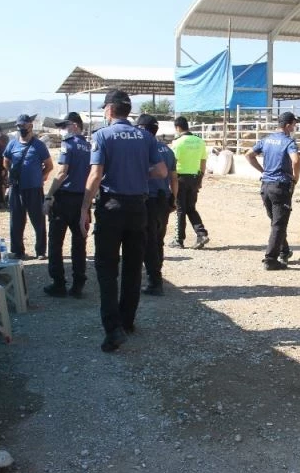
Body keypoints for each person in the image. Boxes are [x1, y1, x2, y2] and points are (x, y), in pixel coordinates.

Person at [85, 89, 167, 352]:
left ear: (109, 110)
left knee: (107, 269)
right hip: (138, 208)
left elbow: (95, 175)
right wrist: (139, 171)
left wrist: (84, 208)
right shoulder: (146, 137)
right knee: (132, 267)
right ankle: (127, 321)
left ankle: (113, 330)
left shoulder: (102, 135)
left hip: (112, 207)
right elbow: (161, 171)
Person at [245, 111, 300, 270]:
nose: (294, 127)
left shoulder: (266, 140)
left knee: (276, 221)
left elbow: (249, 155)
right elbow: (296, 160)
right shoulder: (288, 142)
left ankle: (284, 251)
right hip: (280, 186)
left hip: (266, 186)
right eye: (294, 124)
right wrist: (296, 178)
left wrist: (262, 171)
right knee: (279, 224)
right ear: (288, 125)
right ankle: (270, 259)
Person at [42, 112, 91, 299]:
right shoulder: (89, 146)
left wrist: (49, 196)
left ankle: (59, 283)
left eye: (65, 126)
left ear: (75, 125)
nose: (62, 130)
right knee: (79, 243)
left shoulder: (68, 144)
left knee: (55, 243)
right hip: (82, 200)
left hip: (64, 200)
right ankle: (78, 284)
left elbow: (62, 172)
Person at [136, 114, 178, 296]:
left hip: (148, 200)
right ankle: (156, 275)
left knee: (148, 241)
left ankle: (154, 281)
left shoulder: (143, 149)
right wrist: (174, 199)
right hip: (164, 199)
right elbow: (174, 178)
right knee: (158, 240)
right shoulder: (167, 150)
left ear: (142, 129)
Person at [2, 114, 53, 260]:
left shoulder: (39, 145)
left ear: (30, 126)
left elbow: (49, 165)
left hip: (34, 188)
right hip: (16, 188)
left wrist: (41, 176)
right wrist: (12, 172)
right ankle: (18, 251)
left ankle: (40, 251)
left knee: (38, 221)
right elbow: (6, 161)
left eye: (23, 125)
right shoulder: (12, 144)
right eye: (19, 126)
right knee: (16, 220)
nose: (21, 128)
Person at [169, 116, 209, 250]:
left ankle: (178, 239)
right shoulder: (200, 141)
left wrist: (170, 181)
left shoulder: (178, 143)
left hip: (180, 178)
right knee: (191, 208)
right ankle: (201, 234)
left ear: (177, 127)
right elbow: (203, 162)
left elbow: (173, 163)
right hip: (195, 177)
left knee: (180, 209)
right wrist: (200, 179)